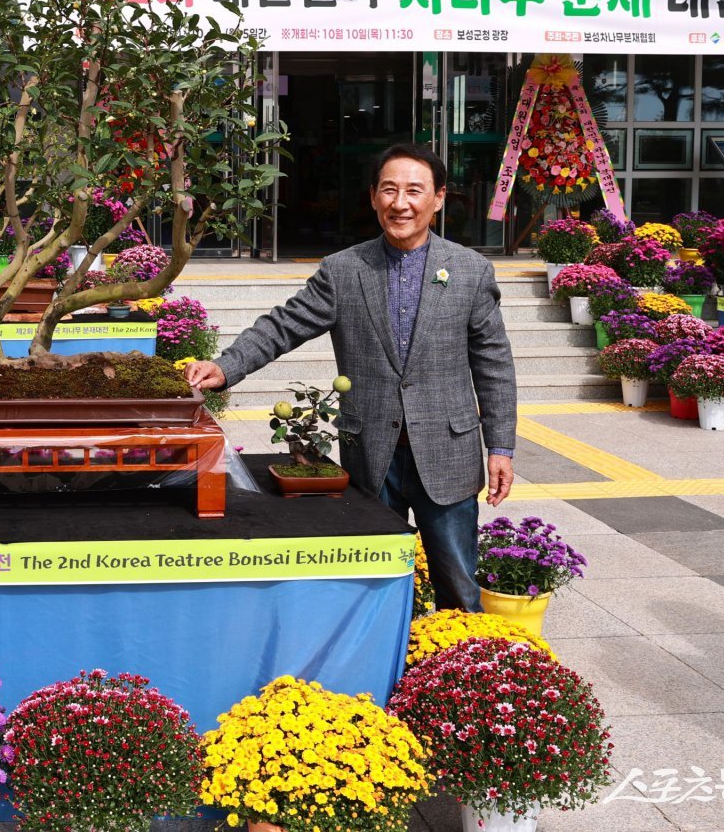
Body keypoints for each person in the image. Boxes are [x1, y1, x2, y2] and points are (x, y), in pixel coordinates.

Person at [185, 143, 516, 611]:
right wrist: (226, 365)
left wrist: (500, 446)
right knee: (372, 586)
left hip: (448, 452)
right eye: (389, 190)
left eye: (414, 191)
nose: (400, 203)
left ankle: (455, 674)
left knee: (459, 586)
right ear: (373, 197)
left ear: (438, 199)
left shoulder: (469, 270)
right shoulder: (345, 270)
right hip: (372, 454)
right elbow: (285, 324)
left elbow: (494, 364)